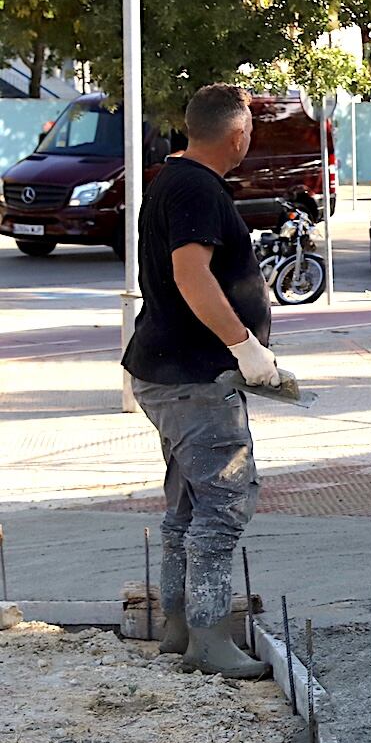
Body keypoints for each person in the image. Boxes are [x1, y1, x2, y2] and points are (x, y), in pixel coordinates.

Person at [120, 84, 276, 679]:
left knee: (186, 505)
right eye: (249, 133)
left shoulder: (171, 180)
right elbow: (191, 274)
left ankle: (180, 629)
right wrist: (244, 346)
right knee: (223, 503)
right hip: (195, 377)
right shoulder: (197, 188)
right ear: (237, 136)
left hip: (168, 370)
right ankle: (209, 641)